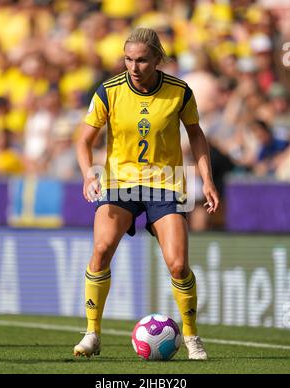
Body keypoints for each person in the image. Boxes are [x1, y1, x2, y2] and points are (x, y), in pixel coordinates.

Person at [75, 28, 219, 360]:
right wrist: (87, 175)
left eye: (141, 60)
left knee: (178, 265)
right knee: (100, 250)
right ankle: (92, 333)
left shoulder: (179, 91)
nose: (134, 67)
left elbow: (196, 136)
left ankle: (192, 337)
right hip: (119, 183)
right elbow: (83, 140)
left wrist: (206, 179)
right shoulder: (108, 91)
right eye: (128, 59)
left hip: (167, 183)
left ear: (157, 59)